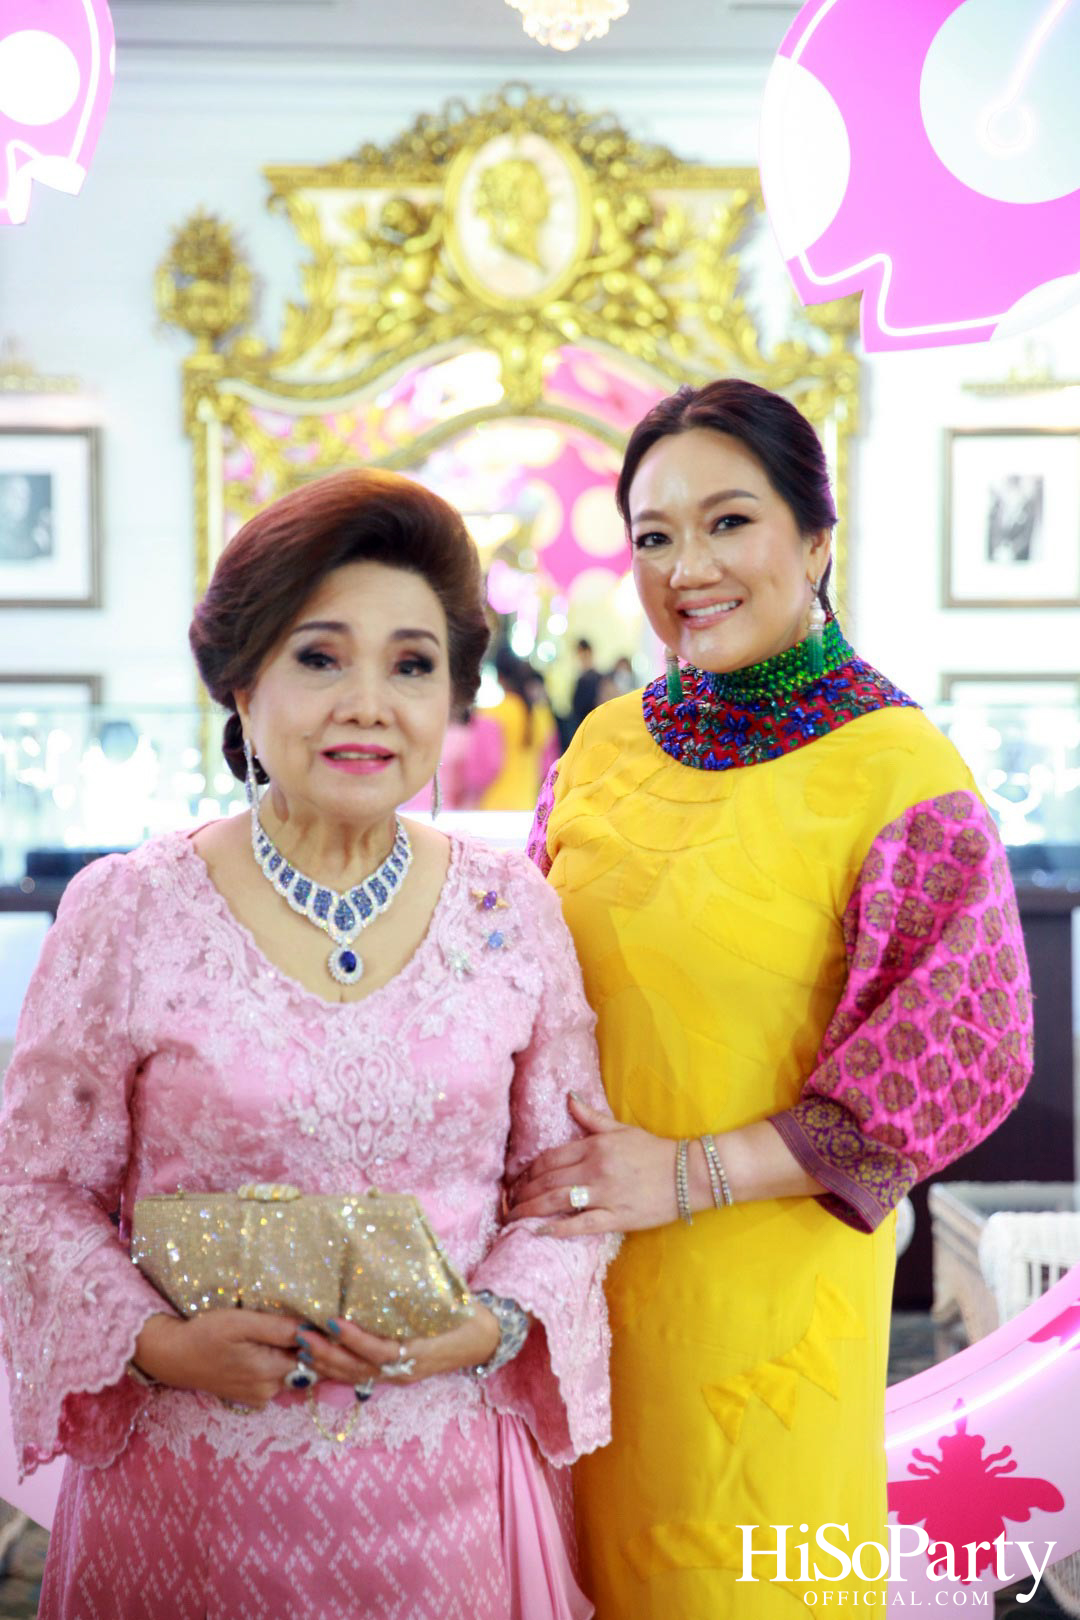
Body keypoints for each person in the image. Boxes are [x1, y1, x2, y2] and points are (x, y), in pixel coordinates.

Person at [0, 469, 615, 1620]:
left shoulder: (512, 910)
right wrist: (155, 1345)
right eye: (320, 657)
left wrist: (490, 1328)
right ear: (240, 680)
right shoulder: (127, 911)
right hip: (188, 1502)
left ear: (455, 697)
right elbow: (33, 1191)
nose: (369, 702)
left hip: (445, 1503)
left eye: (413, 664)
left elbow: (565, 1190)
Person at [510, 381, 1034, 1617]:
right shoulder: (604, 746)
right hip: (562, 1298)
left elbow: (966, 1050)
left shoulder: (895, 764)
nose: (687, 566)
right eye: (652, 534)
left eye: (729, 522)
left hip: (761, 1312)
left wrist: (684, 1176)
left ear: (816, 538)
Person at [480, 646, 557, 810]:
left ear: (500, 677)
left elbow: (483, 770)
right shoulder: (542, 715)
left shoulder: (492, 714)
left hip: (494, 804)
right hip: (528, 805)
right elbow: (548, 765)